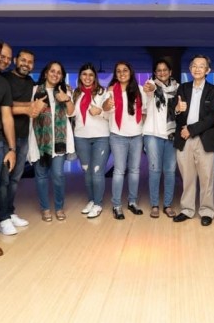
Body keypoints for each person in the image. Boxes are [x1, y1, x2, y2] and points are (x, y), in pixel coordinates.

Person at [172, 55, 214, 226]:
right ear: (190, 69)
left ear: (208, 70)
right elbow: (174, 114)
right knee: (187, 177)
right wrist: (177, 110)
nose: (197, 69)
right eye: (194, 66)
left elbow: (212, 117)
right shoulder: (183, 89)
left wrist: (190, 130)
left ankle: (206, 211)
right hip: (184, 139)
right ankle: (187, 209)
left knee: (206, 177)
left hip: (203, 138)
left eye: (202, 66)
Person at [0, 49, 38, 235]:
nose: (26, 64)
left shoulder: (30, 82)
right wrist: (28, 107)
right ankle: (3, 218)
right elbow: (3, 107)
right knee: (4, 179)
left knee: (15, 179)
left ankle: (9, 212)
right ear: (15, 60)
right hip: (5, 137)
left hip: (23, 135)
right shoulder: (4, 79)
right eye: (23, 60)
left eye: (30, 62)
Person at [28, 61, 75, 222]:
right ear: (46, 73)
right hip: (40, 139)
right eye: (52, 71)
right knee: (41, 176)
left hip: (59, 141)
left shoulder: (65, 90)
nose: (55, 74)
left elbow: (70, 112)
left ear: (62, 76)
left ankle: (59, 207)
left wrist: (67, 99)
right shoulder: (35, 90)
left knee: (58, 175)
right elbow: (30, 112)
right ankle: (45, 208)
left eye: (59, 72)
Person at [102, 61, 147, 220]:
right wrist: (106, 105)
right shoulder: (111, 91)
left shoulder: (140, 90)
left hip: (136, 135)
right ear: (116, 74)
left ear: (130, 72)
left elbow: (145, 112)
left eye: (125, 70)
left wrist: (142, 130)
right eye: (118, 71)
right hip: (117, 135)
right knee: (119, 171)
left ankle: (132, 202)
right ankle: (116, 205)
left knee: (134, 170)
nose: (122, 73)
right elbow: (105, 112)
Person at [142, 59, 179, 218]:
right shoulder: (151, 86)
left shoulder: (178, 89)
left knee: (170, 171)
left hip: (171, 134)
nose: (162, 73)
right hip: (152, 134)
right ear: (155, 73)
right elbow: (148, 91)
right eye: (159, 70)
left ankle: (168, 205)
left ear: (170, 72)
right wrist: (149, 88)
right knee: (155, 170)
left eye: (165, 70)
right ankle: (155, 205)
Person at [73, 63, 110, 219]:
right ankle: (91, 200)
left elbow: (111, 115)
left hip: (101, 136)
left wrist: (100, 111)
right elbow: (71, 115)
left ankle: (98, 203)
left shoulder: (104, 93)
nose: (87, 77)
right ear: (80, 76)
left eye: (90, 75)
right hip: (81, 136)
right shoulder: (75, 94)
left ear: (95, 77)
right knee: (87, 172)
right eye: (84, 74)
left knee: (96, 172)